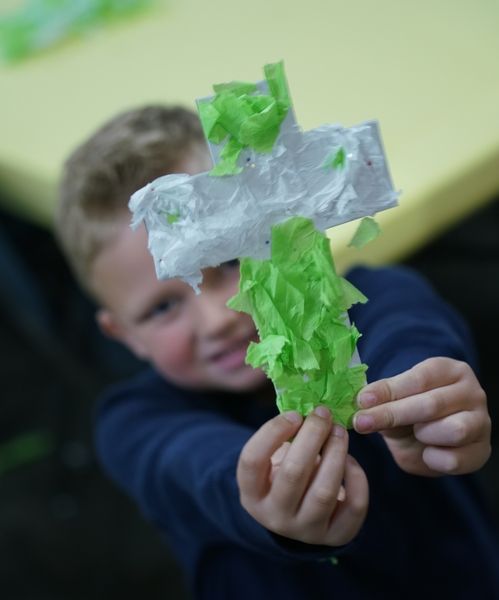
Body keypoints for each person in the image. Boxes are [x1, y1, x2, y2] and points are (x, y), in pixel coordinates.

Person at [55, 105, 499, 599]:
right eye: (163, 307)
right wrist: (259, 487)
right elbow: (192, 467)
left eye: (228, 261)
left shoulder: (372, 303)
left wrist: (421, 391)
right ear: (123, 335)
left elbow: (404, 322)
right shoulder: (134, 422)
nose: (218, 318)